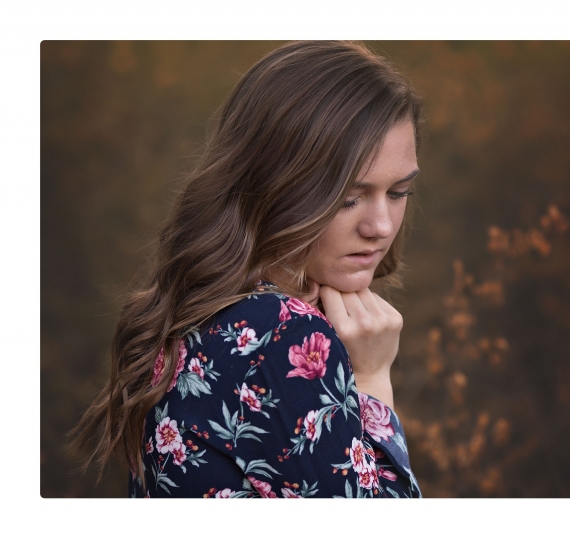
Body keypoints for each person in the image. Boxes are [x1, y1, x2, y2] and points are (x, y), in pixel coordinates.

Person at [71, 41, 423, 498]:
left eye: (398, 193)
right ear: (277, 183)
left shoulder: (201, 305)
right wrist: (373, 378)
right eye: (349, 197)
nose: (379, 226)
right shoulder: (282, 334)